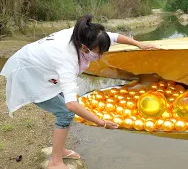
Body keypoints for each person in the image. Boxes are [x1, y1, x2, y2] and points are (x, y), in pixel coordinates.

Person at [0, 14, 161, 169]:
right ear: (84, 48)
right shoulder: (66, 59)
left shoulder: (84, 34)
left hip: (41, 66)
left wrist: (139, 44)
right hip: (28, 74)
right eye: (99, 53)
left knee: (68, 106)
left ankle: (59, 150)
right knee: (66, 113)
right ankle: (55, 162)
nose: (101, 56)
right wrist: (101, 122)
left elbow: (113, 36)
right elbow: (70, 105)